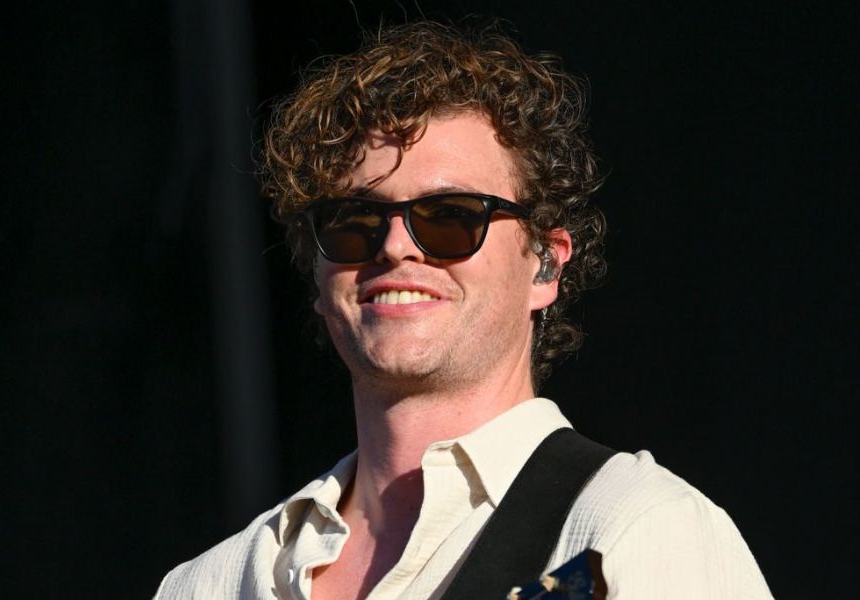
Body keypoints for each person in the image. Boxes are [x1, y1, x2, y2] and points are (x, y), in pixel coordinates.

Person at [155, 20, 771, 599]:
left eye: (450, 217)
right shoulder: (208, 585)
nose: (396, 246)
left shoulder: (635, 532)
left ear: (545, 264)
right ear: (317, 276)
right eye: (354, 221)